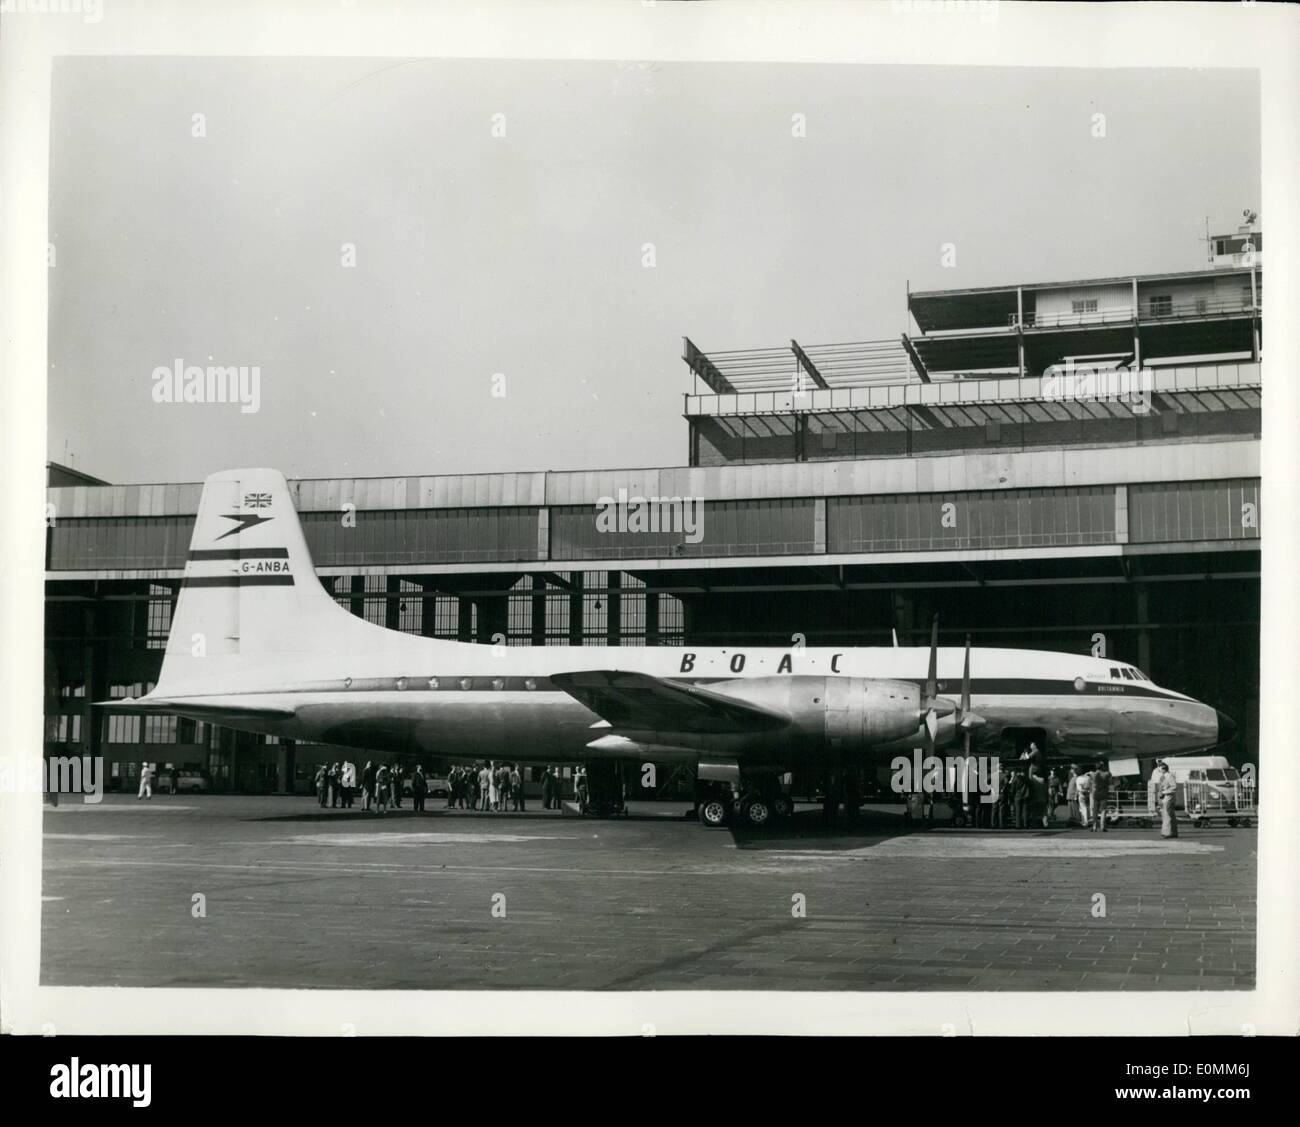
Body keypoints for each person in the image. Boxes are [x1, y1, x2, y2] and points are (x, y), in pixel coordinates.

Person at [1155, 761, 1179, 838]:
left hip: (1168, 798)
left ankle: (1168, 832)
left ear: (1163, 769)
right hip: (1165, 798)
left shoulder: (1169, 776)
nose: (1158, 769)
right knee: (1167, 815)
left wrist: (1164, 792)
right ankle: (1172, 832)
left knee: (1167, 815)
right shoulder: (1164, 776)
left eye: (1159, 767)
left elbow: (1174, 787)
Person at [1092, 762, 1112, 832]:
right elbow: (1110, 781)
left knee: (1095, 811)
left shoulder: (1093, 774)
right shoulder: (1107, 774)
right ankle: (1102, 826)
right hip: (1104, 793)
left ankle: (1094, 827)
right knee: (1103, 810)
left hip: (1096, 793)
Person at [1075, 765, 1093, 831]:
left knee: (1083, 808)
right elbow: (1091, 786)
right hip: (1088, 793)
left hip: (1082, 794)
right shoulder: (1088, 778)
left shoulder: (1078, 779)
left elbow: (1079, 789)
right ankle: (1089, 819)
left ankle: (1085, 822)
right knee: (1088, 807)